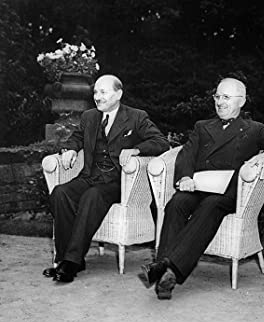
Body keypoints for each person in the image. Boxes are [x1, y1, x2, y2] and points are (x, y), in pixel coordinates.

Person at [141, 77, 264, 300]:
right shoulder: (202, 126)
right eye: (217, 97)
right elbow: (186, 154)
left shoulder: (254, 129)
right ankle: (166, 272)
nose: (220, 102)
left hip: (228, 194)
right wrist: (184, 178)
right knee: (177, 202)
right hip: (199, 186)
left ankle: (167, 269)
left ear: (241, 101)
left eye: (227, 97)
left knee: (212, 205)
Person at [43, 74, 170, 283]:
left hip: (118, 182)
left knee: (92, 195)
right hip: (90, 176)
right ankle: (65, 258)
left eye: (103, 92)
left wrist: (137, 149)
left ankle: (72, 262)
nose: (97, 97)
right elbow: (76, 137)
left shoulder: (136, 117)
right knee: (60, 193)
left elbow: (161, 142)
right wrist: (70, 149)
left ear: (118, 94)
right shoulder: (89, 116)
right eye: (95, 92)